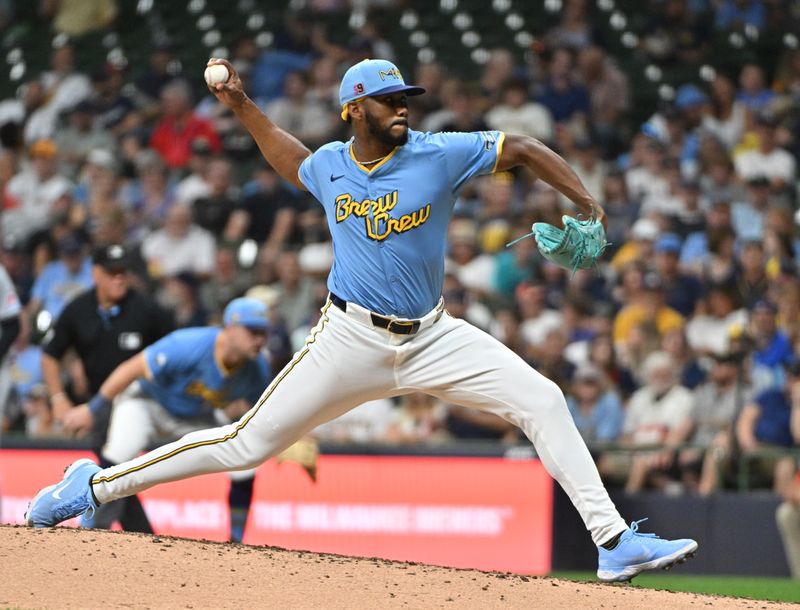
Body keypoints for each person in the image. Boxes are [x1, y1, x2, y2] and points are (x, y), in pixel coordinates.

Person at [26, 58, 697, 582]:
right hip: (348, 337)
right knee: (244, 445)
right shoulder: (330, 169)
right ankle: (96, 484)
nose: (404, 109)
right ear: (355, 109)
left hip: (434, 336)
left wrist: (586, 200)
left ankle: (612, 541)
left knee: (543, 399)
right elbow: (287, 155)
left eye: (407, 99)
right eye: (390, 100)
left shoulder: (437, 153)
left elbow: (520, 145)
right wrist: (240, 103)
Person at [57, 297, 272, 543]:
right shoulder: (190, 344)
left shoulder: (258, 369)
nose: (260, 340)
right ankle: (91, 530)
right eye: (253, 331)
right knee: (117, 456)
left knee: (244, 465)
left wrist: (283, 441)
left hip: (195, 416)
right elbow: (131, 368)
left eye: (264, 333)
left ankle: (236, 542)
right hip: (149, 402)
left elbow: (262, 412)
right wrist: (92, 409)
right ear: (230, 327)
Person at [41, 244, 175, 533]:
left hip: (139, 404)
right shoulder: (79, 309)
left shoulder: (146, 309)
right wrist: (58, 398)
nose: (119, 278)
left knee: (113, 470)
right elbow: (51, 354)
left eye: (123, 272)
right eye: (112, 272)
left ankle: (99, 532)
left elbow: (174, 349)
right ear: (96, 274)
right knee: (115, 472)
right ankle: (140, 536)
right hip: (98, 406)